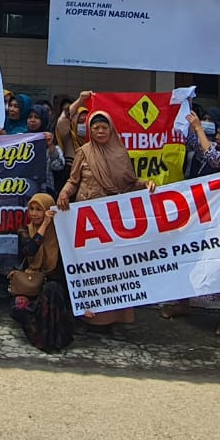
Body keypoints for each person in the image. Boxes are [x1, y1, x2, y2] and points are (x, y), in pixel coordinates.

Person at [56, 110, 148, 330]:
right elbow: (73, 180)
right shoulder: (84, 152)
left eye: (104, 127)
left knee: (112, 268)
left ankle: (113, 318)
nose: (100, 131)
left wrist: (146, 184)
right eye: (95, 128)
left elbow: (130, 184)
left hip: (112, 220)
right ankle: (87, 317)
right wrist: (64, 193)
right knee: (89, 267)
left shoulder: (121, 154)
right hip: (87, 221)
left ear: (111, 129)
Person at [160, 112, 220, 330]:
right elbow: (193, 143)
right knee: (188, 256)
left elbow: (212, 156)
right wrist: (178, 112)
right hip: (200, 214)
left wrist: (197, 127)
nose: (218, 137)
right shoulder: (212, 148)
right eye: (217, 133)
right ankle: (183, 302)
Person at [11, 192, 74, 353]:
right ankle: (40, 338)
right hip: (30, 283)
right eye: (31, 209)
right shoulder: (25, 230)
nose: (33, 213)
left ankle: (52, 340)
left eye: (39, 209)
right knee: (19, 308)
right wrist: (44, 225)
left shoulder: (61, 234)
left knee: (52, 290)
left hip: (51, 285)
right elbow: (29, 250)